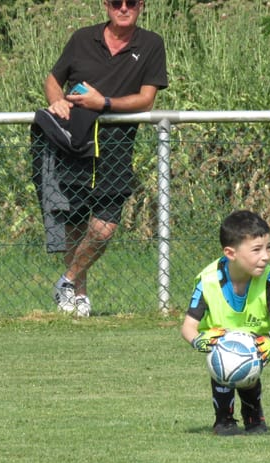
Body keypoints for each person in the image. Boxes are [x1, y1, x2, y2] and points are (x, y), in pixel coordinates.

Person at [42, 0, 168, 317]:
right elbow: (53, 79)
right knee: (74, 222)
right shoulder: (82, 38)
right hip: (75, 141)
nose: (123, 8)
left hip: (116, 146)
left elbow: (146, 99)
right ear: (105, 5)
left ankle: (66, 281)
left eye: (131, 2)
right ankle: (78, 295)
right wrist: (57, 102)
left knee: (103, 229)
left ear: (142, 6)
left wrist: (104, 102)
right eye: (116, 2)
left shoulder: (151, 44)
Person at [181, 210, 270, 436]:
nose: (266, 256)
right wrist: (199, 341)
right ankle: (224, 419)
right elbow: (187, 328)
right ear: (230, 253)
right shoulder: (207, 280)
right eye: (256, 250)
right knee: (224, 362)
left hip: (256, 341)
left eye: (269, 247)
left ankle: (253, 415)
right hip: (220, 343)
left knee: (246, 362)